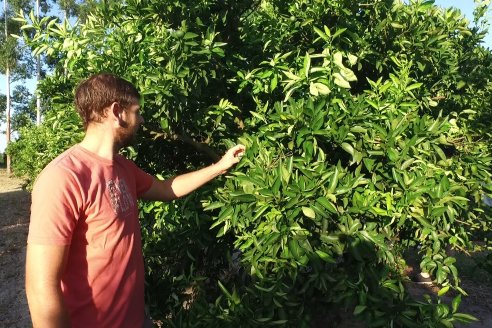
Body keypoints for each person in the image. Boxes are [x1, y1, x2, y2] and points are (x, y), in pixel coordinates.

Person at [25, 73, 245, 328]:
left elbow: (166, 189)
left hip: (137, 319)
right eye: (137, 111)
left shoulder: (123, 168)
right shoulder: (63, 177)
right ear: (117, 111)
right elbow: (41, 286)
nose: (141, 120)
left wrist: (220, 166)